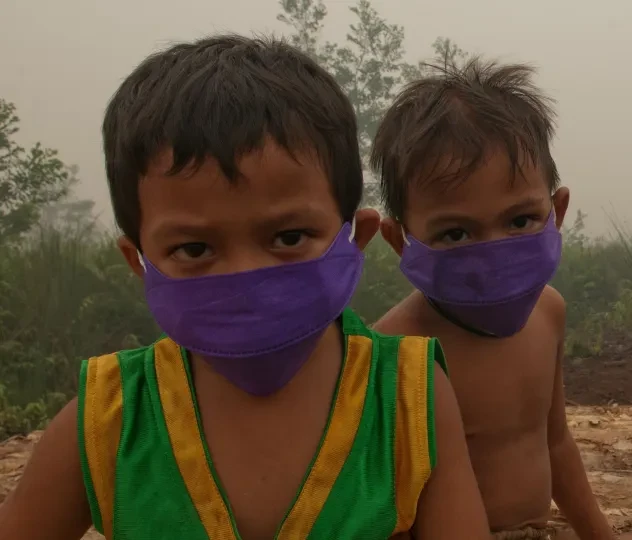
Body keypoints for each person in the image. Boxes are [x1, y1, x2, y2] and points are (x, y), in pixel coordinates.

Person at [0, 35, 491, 540]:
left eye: (288, 237)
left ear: (356, 238)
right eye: (194, 249)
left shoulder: (412, 399)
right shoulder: (106, 421)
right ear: (139, 261)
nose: (243, 277)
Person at [369, 58, 631, 540]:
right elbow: (386, 505)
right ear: (399, 240)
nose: (491, 253)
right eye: (455, 232)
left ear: (557, 210)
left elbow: (554, 442)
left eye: (519, 221)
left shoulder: (548, 312)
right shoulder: (393, 352)